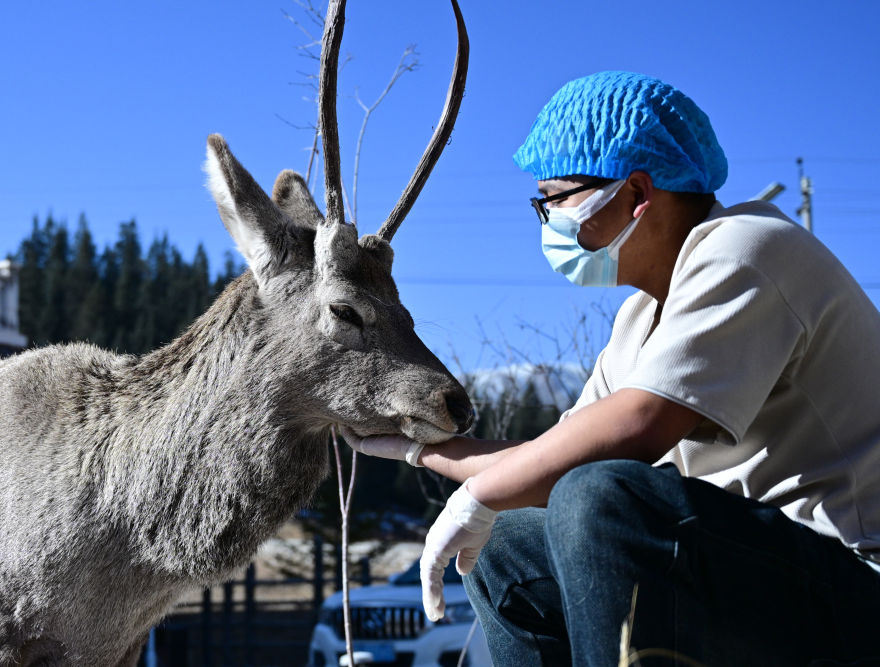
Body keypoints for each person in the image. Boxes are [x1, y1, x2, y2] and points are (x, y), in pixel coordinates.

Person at [342, 70, 880, 665]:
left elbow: (635, 429)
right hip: (762, 577)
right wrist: (414, 449)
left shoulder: (746, 248)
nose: (547, 220)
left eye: (556, 198)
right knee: (509, 545)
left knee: (598, 493)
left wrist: (478, 497)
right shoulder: (639, 321)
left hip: (856, 586)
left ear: (636, 192)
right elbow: (553, 455)